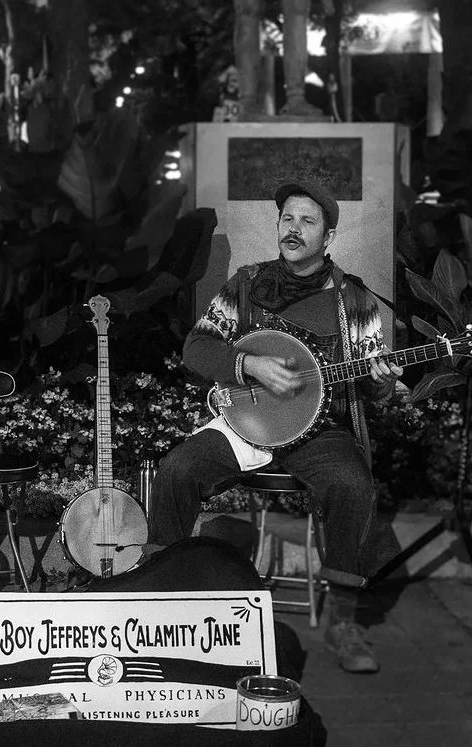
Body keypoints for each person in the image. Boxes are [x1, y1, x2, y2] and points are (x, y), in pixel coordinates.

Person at [146, 180, 402, 674]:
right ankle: (162, 598)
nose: (294, 228)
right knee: (177, 471)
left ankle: (343, 622)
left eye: (308, 221)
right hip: (247, 421)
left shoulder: (356, 300)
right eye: (288, 218)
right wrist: (247, 365)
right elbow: (196, 347)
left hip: (319, 431)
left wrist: (382, 382)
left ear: (328, 236)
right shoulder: (245, 284)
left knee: (352, 485)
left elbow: (373, 389)